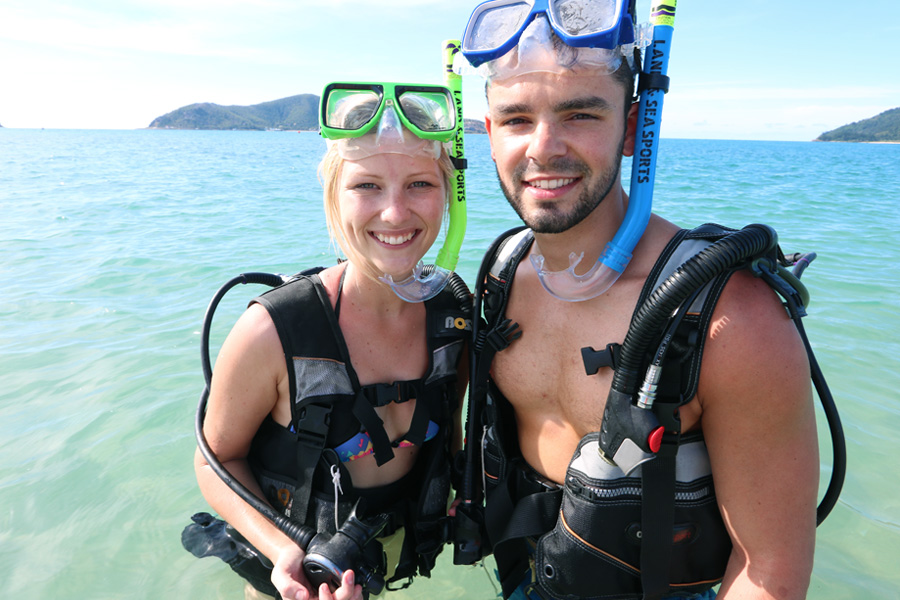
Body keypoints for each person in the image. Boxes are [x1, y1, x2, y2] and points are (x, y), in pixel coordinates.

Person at [456, 2, 819, 599]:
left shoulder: (730, 316)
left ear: (631, 129)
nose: (544, 148)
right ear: (491, 136)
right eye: (518, 119)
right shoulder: (501, 272)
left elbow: (770, 571)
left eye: (579, 113)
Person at [189, 81, 471, 600]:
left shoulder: (454, 318)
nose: (394, 213)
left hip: (378, 563)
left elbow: (449, 425)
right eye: (367, 186)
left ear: (448, 193)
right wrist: (283, 553)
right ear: (333, 195)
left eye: (419, 184)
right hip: (295, 575)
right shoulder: (273, 330)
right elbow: (213, 458)